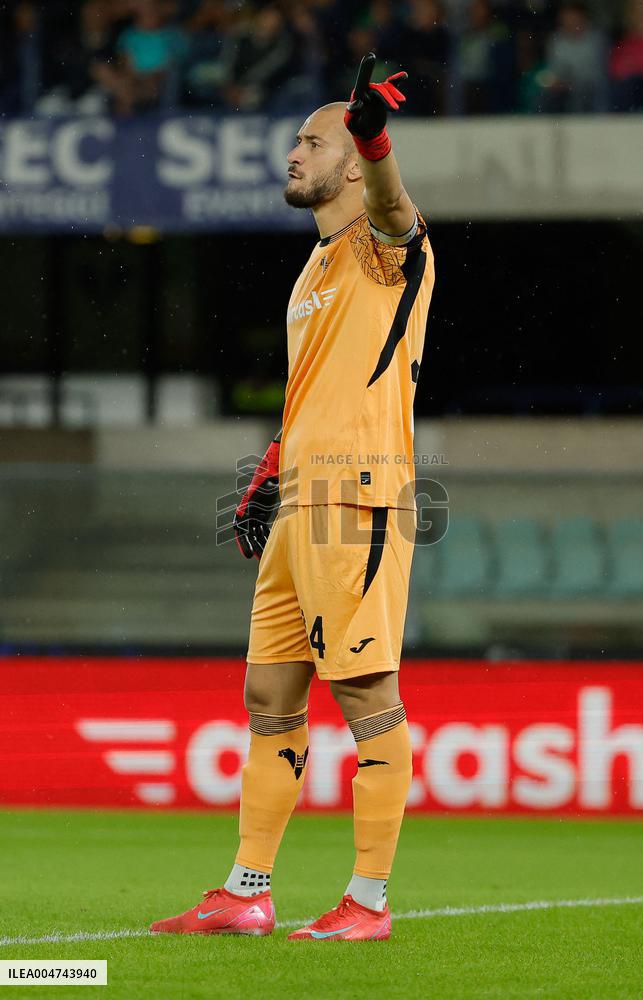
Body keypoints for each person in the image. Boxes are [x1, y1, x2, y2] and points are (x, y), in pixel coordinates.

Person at [150, 52, 435, 942]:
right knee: (270, 698)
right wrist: (274, 460)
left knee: (367, 698)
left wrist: (372, 133)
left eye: (309, 142)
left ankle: (370, 903)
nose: (292, 155)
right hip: (300, 507)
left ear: (351, 157)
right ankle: (247, 891)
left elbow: (393, 204)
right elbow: (317, 388)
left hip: (357, 502)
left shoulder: (384, 249)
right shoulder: (312, 273)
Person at [540, 1, 608, 113]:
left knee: (580, 93)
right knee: (544, 94)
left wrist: (571, 82)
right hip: (563, 86)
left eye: (573, 19)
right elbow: (553, 69)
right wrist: (555, 81)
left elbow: (597, 73)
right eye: (566, 20)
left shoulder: (597, 40)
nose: (570, 23)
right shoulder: (555, 40)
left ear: (584, 19)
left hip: (589, 86)